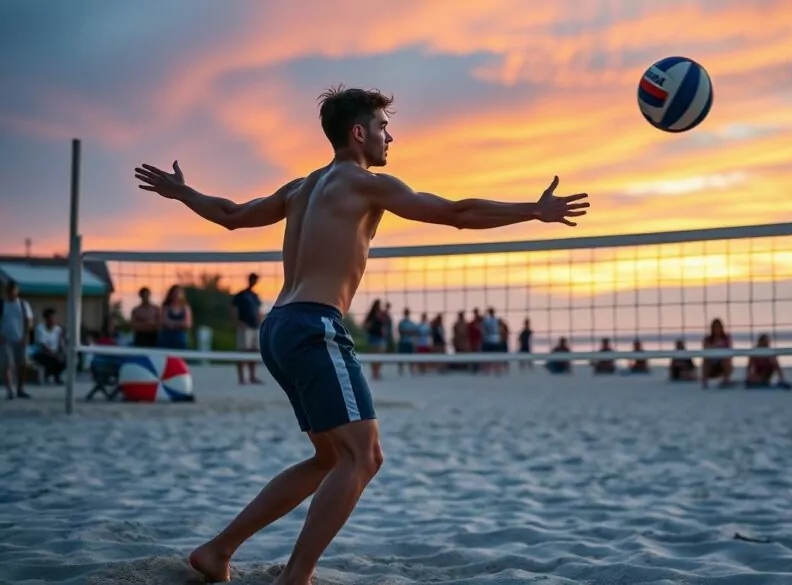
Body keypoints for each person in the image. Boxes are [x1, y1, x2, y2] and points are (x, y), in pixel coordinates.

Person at [135, 83, 588, 585]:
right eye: (382, 127)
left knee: (331, 457)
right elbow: (456, 214)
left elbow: (232, 216)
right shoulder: (367, 183)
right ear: (358, 133)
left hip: (278, 328)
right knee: (364, 456)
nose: (389, 138)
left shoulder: (300, 187)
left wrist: (183, 194)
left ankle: (218, 551)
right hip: (314, 326)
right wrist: (532, 210)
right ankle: (296, 577)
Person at [0, 281, 33, 399]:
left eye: (13, 290)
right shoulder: (2, 304)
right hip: (5, 339)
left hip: (20, 338)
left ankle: (21, 388)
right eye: (9, 290)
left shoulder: (23, 305)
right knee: (7, 364)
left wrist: (25, 335)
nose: (11, 293)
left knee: (22, 364)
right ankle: (9, 390)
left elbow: (28, 321)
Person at [232, 273, 264, 385]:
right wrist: (237, 323)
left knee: (254, 351)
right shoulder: (241, 295)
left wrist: (261, 323)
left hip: (255, 326)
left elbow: (258, 311)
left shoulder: (255, 296)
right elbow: (234, 309)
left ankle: (252, 376)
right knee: (242, 351)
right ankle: (241, 377)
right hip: (244, 326)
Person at [32, 308, 66, 384]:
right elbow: (42, 345)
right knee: (52, 360)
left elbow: (60, 342)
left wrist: (62, 351)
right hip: (42, 352)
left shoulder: (58, 329)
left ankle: (55, 375)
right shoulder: (40, 328)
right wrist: (53, 354)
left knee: (65, 360)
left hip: (55, 352)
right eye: (51, 318)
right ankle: (50, 375)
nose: (53, 320)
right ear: (46, 319)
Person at [701, 318, 733, 389]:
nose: (717, 329)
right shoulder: (708, 339)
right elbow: (705, 350)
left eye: (718, 327)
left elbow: (729, 350)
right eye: (715, 327)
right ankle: (705, 381)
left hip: (722, 361)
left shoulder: (726, 338)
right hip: (712, 362)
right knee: (705, 361)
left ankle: (726, 380)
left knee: (727, 360)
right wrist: (714, 345)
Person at [159, 284, 192, 350]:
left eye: (178, 293)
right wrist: (179, 324)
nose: (176, 295)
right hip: (166, 337)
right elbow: (164, 321)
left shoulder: (185, 307)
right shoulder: (166, 307)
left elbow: (187, 323)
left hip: (180, 338)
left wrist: (172, 324)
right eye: (174, 293)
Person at [362, 299, 386, 381]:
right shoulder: (371, 315)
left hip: (380, 337)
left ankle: (377, 371)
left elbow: (385, 323)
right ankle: (375, 372)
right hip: (373, 337)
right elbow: (365, 325)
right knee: (374, 355)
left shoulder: (381, 314)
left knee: (380, 355)